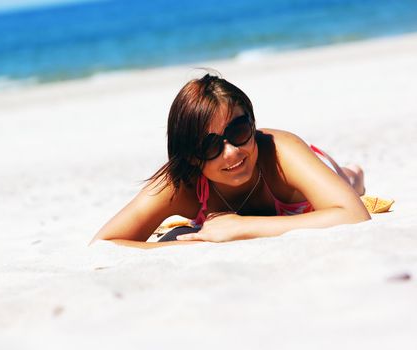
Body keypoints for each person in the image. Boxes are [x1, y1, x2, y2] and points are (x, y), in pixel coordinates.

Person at [90, 73, 370, 248]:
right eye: (209, 146)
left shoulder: (281, 152)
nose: (232, 152)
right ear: (189, 155)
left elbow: (353, 214)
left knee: (349, 182)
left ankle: (354, 174)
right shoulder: (178, 184)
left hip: (313, 169)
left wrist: (243, 226)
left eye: (238, 131)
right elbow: (105, 244)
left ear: (253, 123)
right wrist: (196, 243)